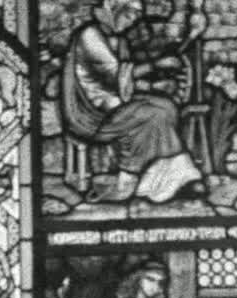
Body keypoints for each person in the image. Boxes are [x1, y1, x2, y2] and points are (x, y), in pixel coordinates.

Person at [62, 0, 205, 204]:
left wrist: (154, 87)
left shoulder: (117, 39)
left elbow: (125, 83)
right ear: (115, 9)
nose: (131, 23)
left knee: (167, 107)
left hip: (115, 105)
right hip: (92, 113)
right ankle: (150, 181)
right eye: (130, 15)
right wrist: (157, 66)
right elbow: (115, 76)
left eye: (136, 17)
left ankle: (164, 179)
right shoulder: (89, 36)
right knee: (154, 114)